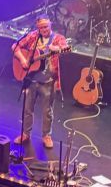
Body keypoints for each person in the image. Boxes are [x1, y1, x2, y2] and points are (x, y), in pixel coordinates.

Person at [11, 16, 69, 149]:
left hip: (48, 80)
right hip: (31, 79)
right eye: (41, 27)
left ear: (50, 25)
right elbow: (15, 46)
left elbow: (65, 48)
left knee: (47, 111)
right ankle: (26, 134)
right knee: (27, 109)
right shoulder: (33, 36)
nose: (44, 30)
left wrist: (58, 49)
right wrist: (23, 60)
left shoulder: (58, 38)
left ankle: (46, 136)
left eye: (46, 27)